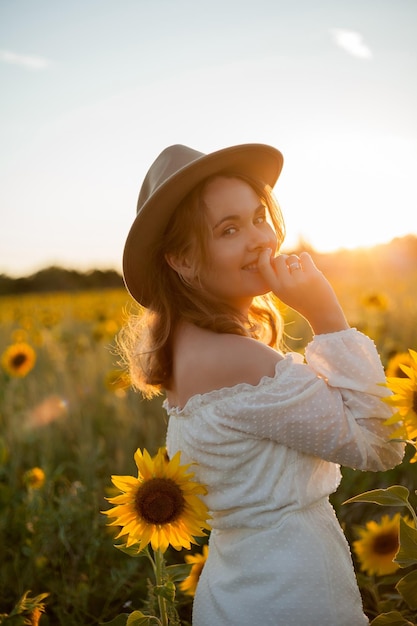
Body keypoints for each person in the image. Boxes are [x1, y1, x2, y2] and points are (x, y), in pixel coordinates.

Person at [120, 143, 404, 626]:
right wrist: (326, 315)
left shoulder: (190, 348)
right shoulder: (239, 360)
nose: (260, 239)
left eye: (258, 217)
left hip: (241, 589)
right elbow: (382, 444)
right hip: (292, 591)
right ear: (182, 260)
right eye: (229, 229)